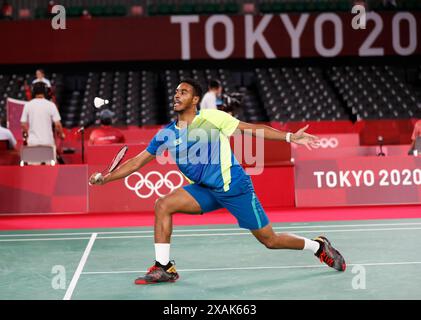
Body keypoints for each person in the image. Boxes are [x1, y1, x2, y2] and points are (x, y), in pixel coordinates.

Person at [89, 79, 346, 285]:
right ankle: (164, 267)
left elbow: (252, 129)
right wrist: (107, 179)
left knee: (270, 240)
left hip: (234, 187)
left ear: (195, 99)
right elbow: (136, 162)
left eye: (184, 92)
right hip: (205, 190)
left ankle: (317, 246)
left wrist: (290, 137)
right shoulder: (165, 133)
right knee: (163, 205)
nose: (177, 95)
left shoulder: (212, 118)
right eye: (176, 92)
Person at [20, 82, 65, 148]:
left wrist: (27, 135)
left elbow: (23, 124)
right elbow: (58, 124)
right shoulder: (51, 105)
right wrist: (61, 135)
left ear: (33, 91)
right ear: (45, 91)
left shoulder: (28, 105)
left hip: (33, 142)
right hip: (48, 142)